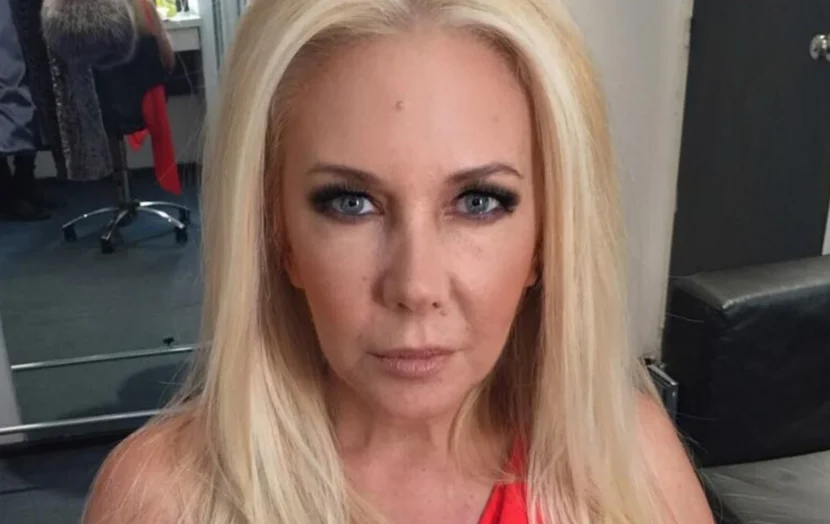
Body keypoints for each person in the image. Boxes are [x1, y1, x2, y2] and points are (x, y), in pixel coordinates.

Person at [83, 1, 714, 523]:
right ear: (278, 236)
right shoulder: (166, 500)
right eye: (351, 203)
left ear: (547, 239)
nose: (415, 286)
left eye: (478, 202)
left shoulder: (628, 467)